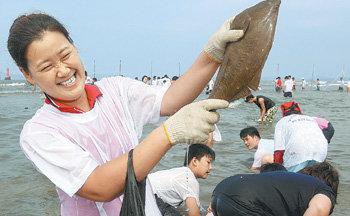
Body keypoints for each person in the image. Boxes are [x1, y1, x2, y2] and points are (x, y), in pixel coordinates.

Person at [8, 13, 244, 215]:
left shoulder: (115, 90)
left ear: (75, 47)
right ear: (27, 74)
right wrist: (167, 134)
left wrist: (212, 53)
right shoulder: (38, 132)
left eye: (65, 55)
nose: (63, 70)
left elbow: (171, 99)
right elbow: (99, 187)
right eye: (47, 66)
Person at [208, 162, 339, 216]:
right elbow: (320, 208)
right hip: (245, 201)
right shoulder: (325, 191)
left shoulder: (294, 183)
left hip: (223, 189)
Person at [149, 144, 215, 216]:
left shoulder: (180, 172)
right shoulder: (189, 179)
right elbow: (194, 214)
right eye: (208, 162)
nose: (211, 167)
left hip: (142, 190)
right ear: (195, 161)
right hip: (148, 198)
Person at [274, 101, 328, 172]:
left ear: (284, 113)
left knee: (292, 180)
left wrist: (276, 171)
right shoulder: (311, 119)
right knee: (316, 179)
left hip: (298, 153)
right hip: (321, 151)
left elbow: (279, 150)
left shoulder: (282, 122)